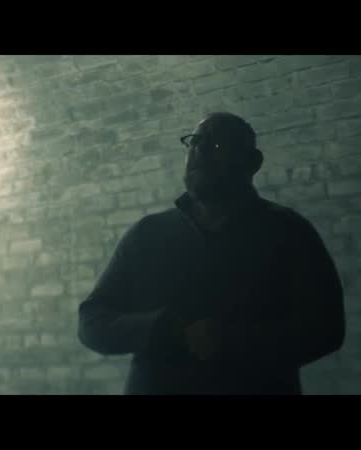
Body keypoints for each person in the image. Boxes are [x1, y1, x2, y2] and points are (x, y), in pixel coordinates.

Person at [78, 112, 345, 395]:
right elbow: (91, 322)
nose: (200, 151)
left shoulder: (288, 231)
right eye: (195, 142)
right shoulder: (148, 234)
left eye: (217, 145)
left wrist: (231, 340)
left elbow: (326, 328)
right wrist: (158, 327)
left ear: (252, 162)